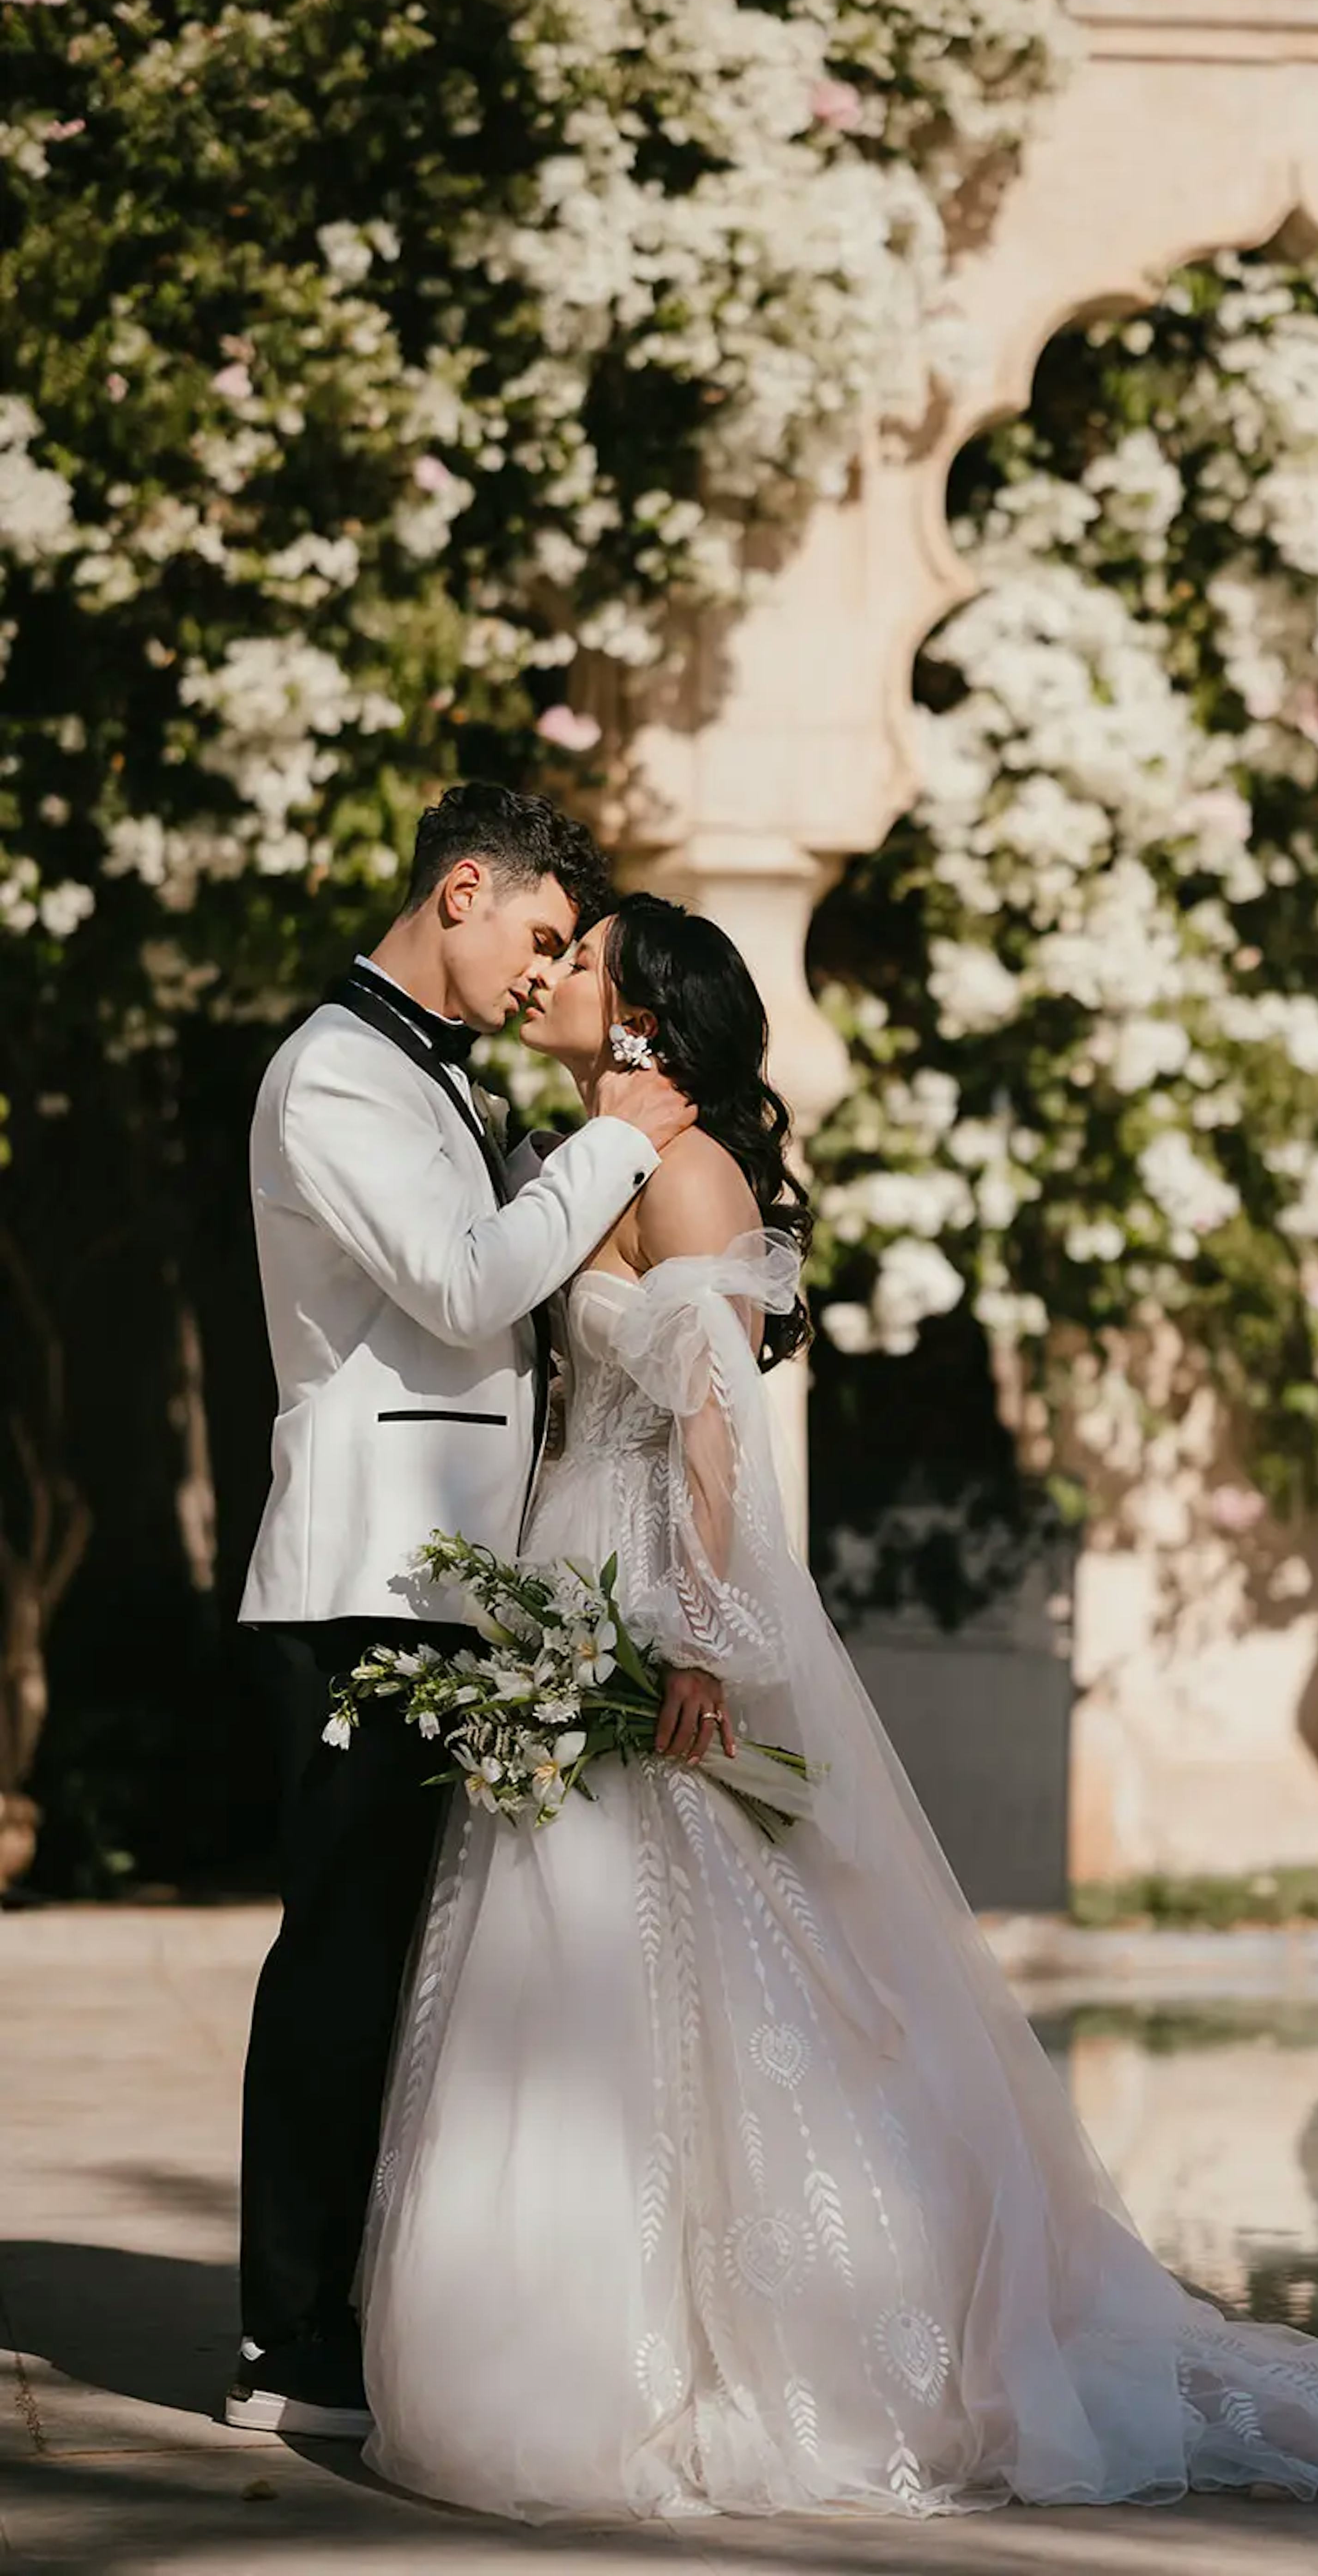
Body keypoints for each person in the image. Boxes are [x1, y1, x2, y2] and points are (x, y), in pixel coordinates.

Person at [356, 894, 1318, 2521]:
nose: (554, 975)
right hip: (576, 1580)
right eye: (554, 954)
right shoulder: (597, 1153)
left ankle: (764, 2347)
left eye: (587, 959)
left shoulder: (686, 1167)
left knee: (711, 1960)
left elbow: (718, 1439)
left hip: (654, 1599)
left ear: (647, 1012)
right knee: (563, 1957)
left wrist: (697, 1640)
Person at [226, 790, 694, 2439]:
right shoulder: (335, 1074)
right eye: (544, 939)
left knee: (408, 1963)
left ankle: (371, 2304)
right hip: (369, 1579)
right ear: (464, 890)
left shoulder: (432, 1071)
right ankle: (286, 2346)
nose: (544, 971)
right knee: (342, 1956)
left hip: (454, 1586)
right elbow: (463, 1282)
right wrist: (625, 1138)